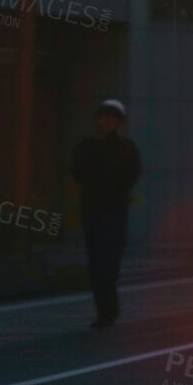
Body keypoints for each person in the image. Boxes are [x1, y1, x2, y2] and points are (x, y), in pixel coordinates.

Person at [71, 99, 141, 328]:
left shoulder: (126, 147)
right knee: (96, 262)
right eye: (103, 118)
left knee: (109, 261)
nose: (107, 122)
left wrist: (116, 190)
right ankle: (104, 310)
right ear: (97, 121)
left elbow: (133, 174)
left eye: (112, 119)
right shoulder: (86, 146)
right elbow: (76, 172)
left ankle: (109, 309)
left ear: (118, 122)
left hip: (115, 211)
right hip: (91, 210)